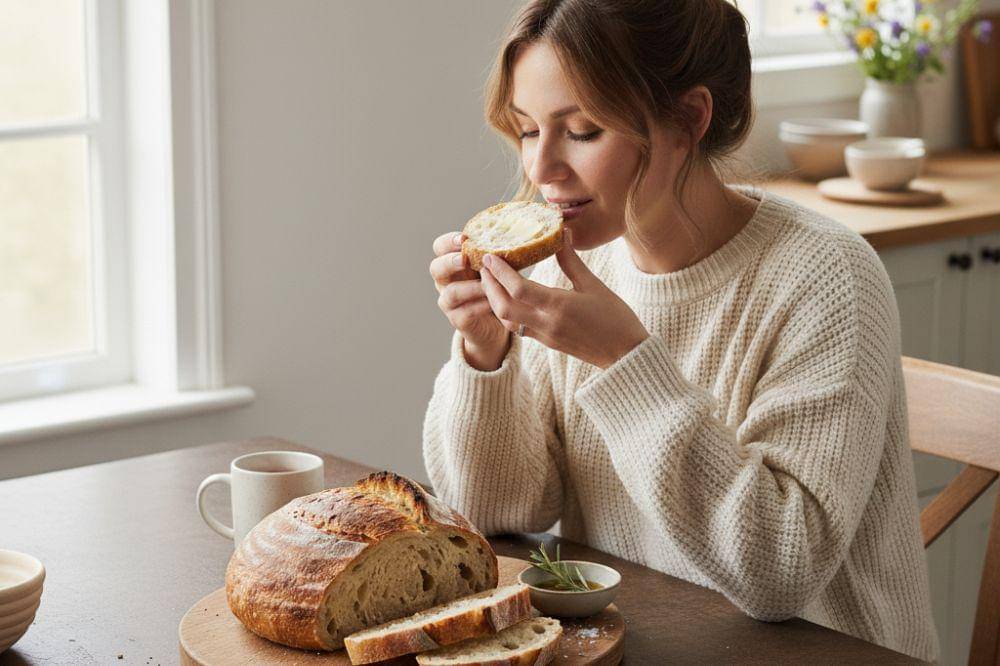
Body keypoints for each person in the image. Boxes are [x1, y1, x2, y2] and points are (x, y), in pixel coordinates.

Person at [423, 0, 938, 661]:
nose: (541, 170)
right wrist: (485, 354)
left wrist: (624, 359)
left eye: (580, 131)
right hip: (644, 645)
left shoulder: (825, 276)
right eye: (527, 130)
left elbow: (781, 571)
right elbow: (498, 513)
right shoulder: (576, 266)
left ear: (688, 120)